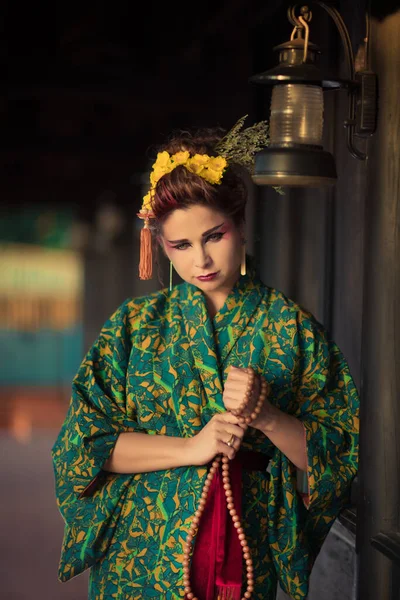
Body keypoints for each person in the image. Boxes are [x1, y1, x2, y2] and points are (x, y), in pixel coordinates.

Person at [52, 117, 359, 600]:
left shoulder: (289, 326)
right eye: (181, 245)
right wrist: (192, 448)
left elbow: (340, 455)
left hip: (245, 556)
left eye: (214, 235)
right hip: (141, 554)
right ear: (160, 247)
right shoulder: (134, 326)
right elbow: (81, 448)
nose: (202, 261)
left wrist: (269, 416)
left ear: (240, 223)